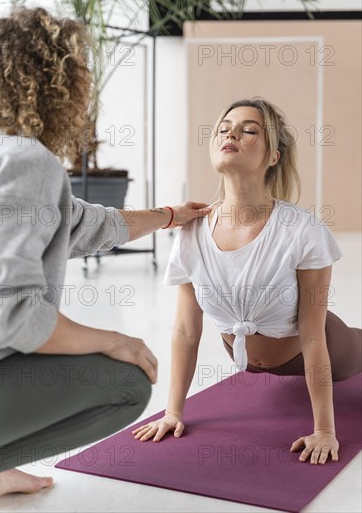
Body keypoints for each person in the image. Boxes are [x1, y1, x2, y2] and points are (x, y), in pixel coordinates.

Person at [0, 6, 212, 498]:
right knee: (126, 381)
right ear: (57, 80)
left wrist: (172, 216)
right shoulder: (27, 160)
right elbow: (10, 314)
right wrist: (112, 339)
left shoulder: (7, 158)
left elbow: (89, 226)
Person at [132, 97, 362, 467]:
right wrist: (173, 411)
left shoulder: (302, 229)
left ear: (273, 156)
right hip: (246, 356)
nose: (232, 133)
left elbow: (313, 335)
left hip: (326, 348)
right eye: (224, 128)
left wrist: (324, 430)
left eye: (249, 130)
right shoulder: (191, 231)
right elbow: (186, 331)